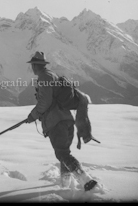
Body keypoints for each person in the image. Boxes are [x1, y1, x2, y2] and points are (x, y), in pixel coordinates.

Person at [26, 51, 97, 191]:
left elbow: (45, 102)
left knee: (62, 154)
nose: (32, 68)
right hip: (67, 120)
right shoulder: (52, 75)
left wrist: (33, 115)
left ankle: (85, 180)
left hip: (56, 122)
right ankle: (65, 185)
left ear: (35, 65)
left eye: (32, 65)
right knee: (64, 153)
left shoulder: (44, 77)